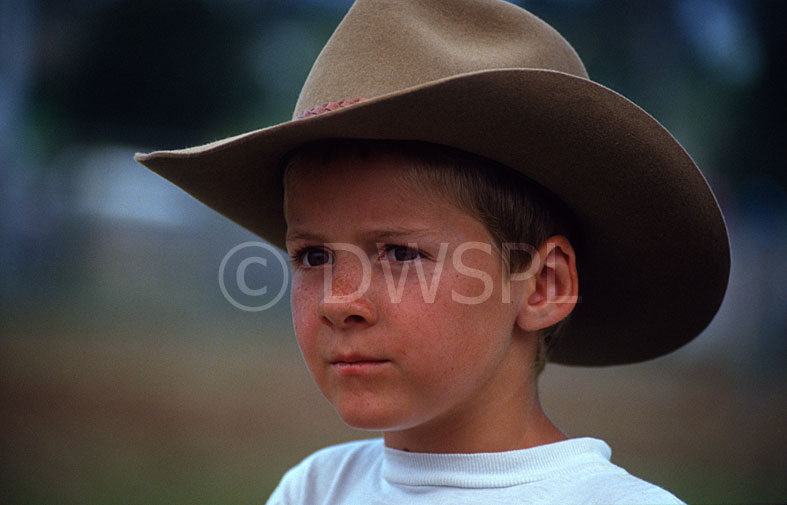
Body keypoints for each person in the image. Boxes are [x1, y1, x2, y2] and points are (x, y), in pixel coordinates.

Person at [135, 0, 730, 503]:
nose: (340, 302)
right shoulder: (314, 490)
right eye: (313, 256)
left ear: (543, 285)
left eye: (399, 253)